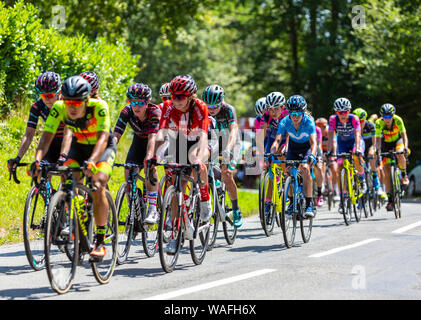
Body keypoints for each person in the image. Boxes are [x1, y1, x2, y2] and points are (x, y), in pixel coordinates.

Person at [29, 76, 117, 260]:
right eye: (69, 102)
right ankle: (78, 219)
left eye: (77, 103)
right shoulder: (59, 108)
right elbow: (46, 137)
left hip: (102, 149)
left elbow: (102, 139)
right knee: (68, 180)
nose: (72, 107)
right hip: (79, 148)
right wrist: (37, 160)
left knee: (98, 184)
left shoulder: (99, 107)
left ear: (86, 100)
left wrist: (92, 160)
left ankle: (100, 241)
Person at [153, 74, 212, 254]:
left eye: (180, 97)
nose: (175, 101)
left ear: (190, 97)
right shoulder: (170, 107)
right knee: (175, 186)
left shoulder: (200, 107)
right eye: (173, 96)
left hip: (196, 141)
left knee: (200, 161)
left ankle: (204, 198)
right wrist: (153, 156)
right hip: (178, 141)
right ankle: (174, 235)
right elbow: (161, 132)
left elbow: (203, 137)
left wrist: (198, 158)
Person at [113, 83, 161, 224]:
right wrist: (108, 153)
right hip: (139, 140)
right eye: (132, 102)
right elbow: (116, 135)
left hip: (156, 140)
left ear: (147, 102)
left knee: (150, 166)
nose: (136, 106)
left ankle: (153, 210)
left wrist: (149, 157)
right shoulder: (126, 111)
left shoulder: (155, 112)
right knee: (128, 171)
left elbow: (153, 138)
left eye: (140, 103)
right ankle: (133, 210)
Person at [202, 84, 243, 227]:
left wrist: (228, 150)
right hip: (214, 141)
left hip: (231, 142)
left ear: (222, 101)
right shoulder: (203, 110)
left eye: (215, 106)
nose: (211, 110)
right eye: (209, 107)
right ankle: (215, 183)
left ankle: (236, 209)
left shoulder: (228, 110)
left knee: (226, 173)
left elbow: (233, 131)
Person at [270, 95, 318, 217]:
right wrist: (272, 153)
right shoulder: (285, 121)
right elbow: (277, 140)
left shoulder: (309, 121)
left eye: (298, 114)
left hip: (306, 148)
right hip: (293, 148)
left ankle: (309, 204)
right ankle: (291, 202)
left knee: (305, 169)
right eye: (292, 114)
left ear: (303, 112)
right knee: (288, 172)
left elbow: (313, 143)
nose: (295, 117)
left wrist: (312, 155)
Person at [8, 72, 64, 173]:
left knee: (67, 181)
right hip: (51, 143)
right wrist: (18, 158)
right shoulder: (37, 106)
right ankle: (44, 188)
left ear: (59, 93)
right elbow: (29, 134)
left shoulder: (68, 104)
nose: (47, 99)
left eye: (50, 95)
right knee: (39, 173)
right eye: (43, 95)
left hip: (68, 143)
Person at [328, 98, 367, 205]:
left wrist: (358, 148)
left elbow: (358, 134)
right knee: (340, 167)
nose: (342, 114)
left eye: (345, 112)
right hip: (342, 143)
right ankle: (343, 196)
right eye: (339, 112)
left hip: (355, 141)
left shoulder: (354, 118)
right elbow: (331, 137)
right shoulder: (333, 119)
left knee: (356, 156)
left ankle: (362, 179)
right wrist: (329, 151)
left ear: (349, 111)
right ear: (336, 112)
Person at [375, 103, 409, 211]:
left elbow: (404, 136)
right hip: (386, 144)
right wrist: (378, 151)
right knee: (387, 171)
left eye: (389, 116)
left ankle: (404, 175)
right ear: (382, 116)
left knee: (400, 153)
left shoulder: (398, 120)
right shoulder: (378, 123)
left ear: (393, 115)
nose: (387, 119)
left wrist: (405, 148)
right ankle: (390, 200)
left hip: (397, 141)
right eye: (385, 117)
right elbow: (378, 140)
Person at [261, 92, 288, 216]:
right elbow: (264, 133)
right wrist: (261, 150)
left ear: (282, 108)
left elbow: (289, 134)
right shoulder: (266, 115)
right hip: (272, 140)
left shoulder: (287, 115)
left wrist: (286, 146)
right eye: (270, 109)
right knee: (269, 168)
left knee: (284, 161)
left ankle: (287, 184)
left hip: (285, 139)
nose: (273, 112)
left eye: (276, 109)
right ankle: (267, 201)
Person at [353, 107, 387, 199]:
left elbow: (374, 142)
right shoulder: (353, 127)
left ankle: (376, 183)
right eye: (358, 121)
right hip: (361, 147)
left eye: (362, 121)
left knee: (372, 155)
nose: (360, 123)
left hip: (370, 145)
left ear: (365, 120)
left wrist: (374, 149)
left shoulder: (370, 125)